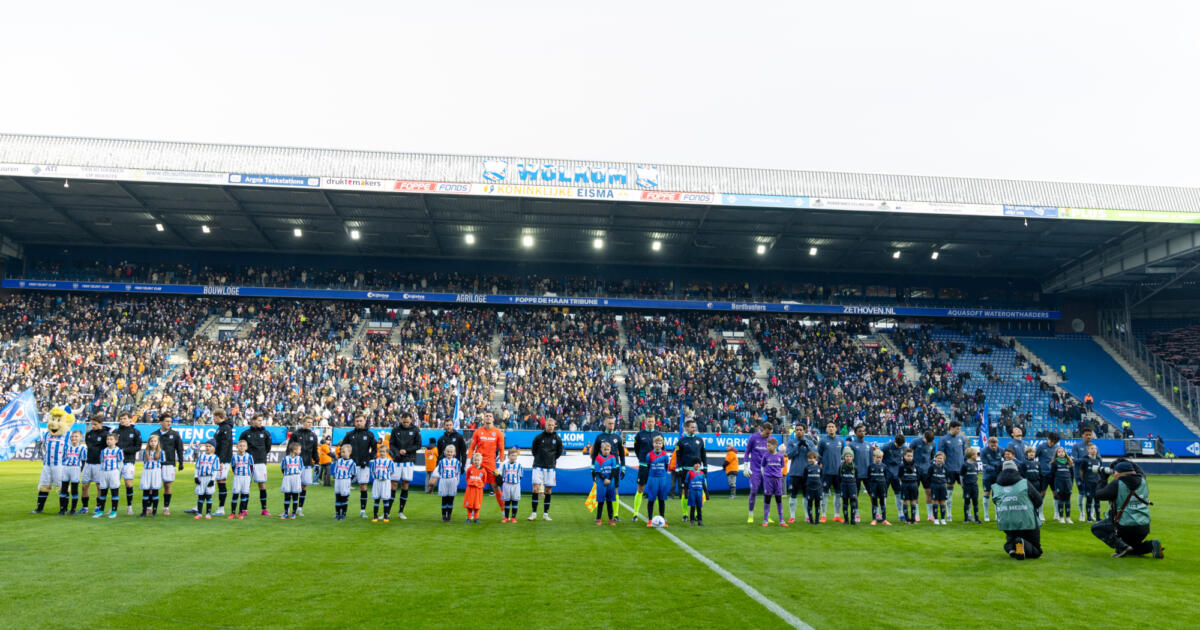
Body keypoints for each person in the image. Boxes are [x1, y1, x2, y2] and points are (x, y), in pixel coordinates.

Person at [1091, 460, 1163, 559]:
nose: (1114, 475)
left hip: (1124, 526)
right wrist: (1125, 461)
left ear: (1120, 473)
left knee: (1096, 528)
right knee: (1132, 549)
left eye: (1115, 472)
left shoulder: (1117, 484)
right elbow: (1138, 469)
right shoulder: (1142, 479)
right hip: (1143, 526)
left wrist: (1102, 478)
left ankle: (1122, 547)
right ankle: (1151, 545)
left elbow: (1098, 495)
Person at [992, 460, 1045, 559]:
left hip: (1007, 522)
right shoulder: (1024, 483)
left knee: (1010, 539)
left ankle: (1012, 548)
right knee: (1036, 551)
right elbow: (1038, 500)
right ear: (1016, 469)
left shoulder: (996, 487)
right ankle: (1021, 543)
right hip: (1027, 521)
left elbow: (996, 502)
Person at [588, 416, 626, 519]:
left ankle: (616, 514)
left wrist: (623, 467)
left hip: (614, 468)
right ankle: (599, 516)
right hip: (602, 469)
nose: (611, 425)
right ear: (605, 423)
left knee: (615, 490)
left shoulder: (618, 437)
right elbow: (594, 453)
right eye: (609, 423)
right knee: (601, 491)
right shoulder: (600, 437)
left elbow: (622, 454)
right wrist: (592, 468)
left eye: (613, 423)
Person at [340, 415, 377, 518]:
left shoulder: (369, 434)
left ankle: (362, 511)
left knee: (363, 487)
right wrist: (345, 460)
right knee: (345, 487)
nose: (359, 423)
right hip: (350, 465)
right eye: (357, 421)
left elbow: (374, 450)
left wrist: (367, 459)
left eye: (361, 421)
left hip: (363, 466)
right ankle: (343, 511)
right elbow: (342, 448)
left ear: (365, 421)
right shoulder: (350, 434)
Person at [469, 411, 506, 514]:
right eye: (486, 416)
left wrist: (501, 466)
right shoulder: (478, 431)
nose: (488, 418)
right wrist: (468, 461)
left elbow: (502, 449)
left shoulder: (498, 432)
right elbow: (471, 447)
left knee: (496, 487)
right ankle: (472, 511)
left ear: (493, 419)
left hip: (491, 464)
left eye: (490, 416)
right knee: (475, 487)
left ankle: (504, 510)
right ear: (484, 418)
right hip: (478, 463)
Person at [387, 411, 422, 520]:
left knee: (405, 484)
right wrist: (397, 452)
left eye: (407, 422)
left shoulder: (415, 430)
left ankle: (401, 511)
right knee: (393, 484)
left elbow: (418, 445)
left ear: (411, 420)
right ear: (401, 419)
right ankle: (387, 512)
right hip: (397, 460)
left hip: (408, 460)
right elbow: (391, 444)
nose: (406, 424)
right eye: (404, 422)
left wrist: (406, 450)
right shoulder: (395, 430)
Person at [529, 417, 564, 521]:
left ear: (554, 426)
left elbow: (559, 452)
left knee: (548, 490)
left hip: (550, 467)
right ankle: (534, 513)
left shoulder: (557, 438)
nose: (551, 427)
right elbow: (534, 451)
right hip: (538, 466)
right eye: (549, 425)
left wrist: (551, 460)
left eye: (552, 425)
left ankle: (545, 514)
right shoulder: (539, 437)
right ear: (545, 426)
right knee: (535, 488)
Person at [238, 416, 274, 517]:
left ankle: (264, 509)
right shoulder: (245, 433)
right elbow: (241, 446)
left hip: (260, 462)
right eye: (258, 420)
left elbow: (268, 447)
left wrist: (261, 455)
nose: (260, 422)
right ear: (253, 421)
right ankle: (244, 509)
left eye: (261, 420)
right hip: (247, 463)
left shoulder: (265, 433)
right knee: (246, 486)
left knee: (262, 485)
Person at [149, 417, 184, 516]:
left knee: (167, 485)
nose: (169, 423)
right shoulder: (154, 434)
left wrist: (181, 462)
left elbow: (179, 449)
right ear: (160, 422)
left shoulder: (175, 434)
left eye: (170, 421)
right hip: (155, 463)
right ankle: (149, 507)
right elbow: (148, 449)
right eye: (166, 421)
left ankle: (166, 507)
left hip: (169, 463)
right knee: (152, 486)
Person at [287, 416, 320, 517]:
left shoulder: (313, 436)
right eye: (307, 422)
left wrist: (317, 462)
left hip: (307, 464)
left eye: (311, 422)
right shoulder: (296, 434)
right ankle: (288, 509)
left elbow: (314, 450)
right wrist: (288, 461)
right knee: (293, 486)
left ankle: (299, 509)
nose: (309, 424)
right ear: (302, 422)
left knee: (303, 486)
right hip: (295, 465)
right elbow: (289, 448)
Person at [631, 415, 663, 520]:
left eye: (652, 421)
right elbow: (636, 449)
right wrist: (642, 459)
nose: (650, 423)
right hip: (644, 466)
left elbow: (663, 450)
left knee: (657, 490)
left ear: (655, 422)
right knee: (640, 489)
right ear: (645, 422)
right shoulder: (640, 435)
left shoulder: (659, 434)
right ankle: (635, 514)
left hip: (655, 467)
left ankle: (661, 516)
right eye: (648, 421)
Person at [675, 420, 707, 522]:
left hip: (697, 472)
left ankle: (697, 514)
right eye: (692, 427)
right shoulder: (681, 442)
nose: (694, 429)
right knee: (685, 492)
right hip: (686, 471)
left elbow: (703, 455)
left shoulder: (700, 440)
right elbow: (678, 456)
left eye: (695, 427)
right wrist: (679, 468)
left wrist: (705, 467)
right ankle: (685, 514)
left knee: (698, 491)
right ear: (686, 428)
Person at [743, 422, 773, 524]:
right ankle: (751, 514)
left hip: (768, 470)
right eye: (767, 433)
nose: (768, 435)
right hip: (755, 469)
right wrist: (746, 465)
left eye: (770, 433)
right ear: (761, 429)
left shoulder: (771, 439)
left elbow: (773, 454)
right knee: (754, 491)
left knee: (768, 493)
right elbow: (747, 451)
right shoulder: (753, 438)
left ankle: (767, 516)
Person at [80, 416, 110, 515]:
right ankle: (85, 507)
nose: (93, 426)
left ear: (101, 423)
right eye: (92, 424)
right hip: (88, 463)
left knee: (99, 486)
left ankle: (98, 507)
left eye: (95, 424)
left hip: (99, 464)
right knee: (84, 486)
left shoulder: (106, 435)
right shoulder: (88, 434)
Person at [113, 412, 141, 515]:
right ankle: (113, 508)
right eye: (121, 419)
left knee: (128, 484)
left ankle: (129, 507)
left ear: (130, 420)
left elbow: (138, 447)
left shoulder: (135, 432)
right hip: (116, 462)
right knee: (114, 484)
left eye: (124, 418)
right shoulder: (116, 431)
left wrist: (124, 450)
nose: (122, 420)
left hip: (129, 461)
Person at [939, 421, 967, 521]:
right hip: (949, 469)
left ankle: (967, 515)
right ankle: (949, 514)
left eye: (959, 429)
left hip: (960, 469)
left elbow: (965, 453)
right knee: (949, 492)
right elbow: (940, 454)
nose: (959, 431)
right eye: (957, 429)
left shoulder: (961, 439)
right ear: (951, 428)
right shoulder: (944, 439)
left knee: (966, 490)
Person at [786, 423, 813, 523]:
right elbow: (789, 455)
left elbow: (814, 456)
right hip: (795, 472)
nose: (798, 431)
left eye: (801, 429)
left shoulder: (809, 443)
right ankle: (792, 516)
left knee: (806, 495)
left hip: (807, 473)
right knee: (793, 494)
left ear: (804, 431)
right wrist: (797, 446)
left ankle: (807, 515)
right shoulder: (791, 442)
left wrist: (807, 447)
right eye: (797, 430)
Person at [817, 421, 844, 523]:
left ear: (836, 428)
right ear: (826, 429)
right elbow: (818, 456)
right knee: (823, 494)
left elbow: (842, 456)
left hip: (838, 473)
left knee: (838, 494)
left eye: (833, 426)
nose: (831, 428)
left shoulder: (841, 441)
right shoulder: (823, 441)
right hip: (826, 472)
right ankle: (823, 515)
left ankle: (837, 515)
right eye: (829, 427)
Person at [846, 424, 872, 523]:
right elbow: (848, 460)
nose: (862, 433)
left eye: (863, 431)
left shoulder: (868, 445)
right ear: (856, 433)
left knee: (872, 494)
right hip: (855, 475)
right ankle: (856, 514)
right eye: (860, 431)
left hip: (867, 474)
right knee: (854, 495)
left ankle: (876, 513)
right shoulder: (851, 445)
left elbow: (871, 461)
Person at [908, 430, 936, 522]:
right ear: (924, 436)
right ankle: (916, 515)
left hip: (926, 471)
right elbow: (908, 454)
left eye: (929, 441)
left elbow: (932, 457)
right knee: (915, 492)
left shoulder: (933, 444)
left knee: (929, 492)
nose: (927, 443)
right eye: (926, 440)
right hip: (915, 471)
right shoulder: (915, 442)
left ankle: (930, 515)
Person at [643, 435, 671, 525]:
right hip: (652, 479)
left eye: (660, 443)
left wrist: (662, 474)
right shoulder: (649, 455)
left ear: (662, 444)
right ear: (653, 444)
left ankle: (662, 518)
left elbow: (666, 467)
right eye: (656, 443)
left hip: (662, 479)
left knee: (662, 499)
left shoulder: (665, 456)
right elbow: (648, 467)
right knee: (651, 499)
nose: (658, 445)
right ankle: (650, 519)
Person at [94, 433, 123, 518]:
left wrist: (118, 473)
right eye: (108, 439)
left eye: (111, 439)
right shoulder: (103, 451)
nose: (109, 441)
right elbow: (102, 461)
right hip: (104, 472)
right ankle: (100, 511)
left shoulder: (118, 451)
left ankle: (114, 511)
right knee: (103, 492)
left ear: (116, 441)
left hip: (114, 472)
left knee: (114, 492)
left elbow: (120, 462)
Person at [1035, 432, 1060, 521]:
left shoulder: (1057, 447)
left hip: (1054, 474)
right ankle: (1040, 513)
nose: (1052, 443)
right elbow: (1034, 456)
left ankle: (1056, 514)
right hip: (1043, 474)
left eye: (1054, 442)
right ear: (1048, 438)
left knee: (1056, 493)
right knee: (1042, 493)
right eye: (1051, 441)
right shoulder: (1041, 446)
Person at [880, 433, 906, 522]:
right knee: (884, 494)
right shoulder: (886, 447)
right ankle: (882, 514)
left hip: (897, 474)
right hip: (886, 473)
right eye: (898, 445)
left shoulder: (904, 448)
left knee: (898, 494)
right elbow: (879, 456)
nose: (899, 447)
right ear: (895, 441)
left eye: (901, 445)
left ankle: (901, 514)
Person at [1071, 427, 1096, 519]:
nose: (1088, 436)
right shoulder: (1076, 446)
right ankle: (1082, 514)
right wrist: (1087, 459)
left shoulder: (1094, 446)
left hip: (1092, 476)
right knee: (1081, 493)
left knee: (1092, 494)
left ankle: (1091, 514)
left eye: (1090, 435)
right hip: (1079, 474)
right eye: (1087, 435)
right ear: (1082, 435)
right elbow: (1074, 460)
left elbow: (1099, 459)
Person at [761, 437, 786, 527]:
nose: (767, 447)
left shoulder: (780, 456)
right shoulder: (765, 455)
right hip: (768, 479)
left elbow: (782, 467)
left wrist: (778, 475)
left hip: (778, 479)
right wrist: (766, 476)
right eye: (767, 446)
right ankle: (765, 520)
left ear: (775, 446)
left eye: (769, 445)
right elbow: (762, 467)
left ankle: (781, 520)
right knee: (767, 499)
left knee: (778, 499)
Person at [434, 444, 463, 522]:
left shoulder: (456, 462)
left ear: (454, 453)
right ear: (445, 452)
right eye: (448, 452)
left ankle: (449, 516)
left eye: (451, 452)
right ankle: (443, 516)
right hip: (444, 480)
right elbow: (439, 471)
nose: (449, 453)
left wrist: (457, 481)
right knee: (444, 498)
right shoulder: (441, 461)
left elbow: (457, 472)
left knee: (451, 499)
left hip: (452, 480)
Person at [593, 442, 619, 526]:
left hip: (610, 482)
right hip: (601, 482)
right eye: (605, 449)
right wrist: (604, 479)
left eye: (608, 449)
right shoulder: (598, 458)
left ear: (610, 450)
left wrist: (609, 479)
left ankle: (611, 519)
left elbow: (614, 469)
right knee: (600, 501)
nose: (606, 451)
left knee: (609, 501)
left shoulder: (612, 458)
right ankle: (598, 518)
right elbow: (597, 471)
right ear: (601, 449)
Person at [213, 409, 233, 515]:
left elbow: (225, 445)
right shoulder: (221, 428)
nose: (213, 419)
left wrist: (220, 460)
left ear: (218, 417)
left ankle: (221, 508)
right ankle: (201, 504)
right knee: (215, 482)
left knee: (221, 482)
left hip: (223, 461)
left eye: (214, 417)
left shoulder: (226, 428)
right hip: (219, 459)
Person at [139, 434, 165, 517]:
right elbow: (144, 461)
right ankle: (144, 511)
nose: (153, 443)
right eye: (151, 441)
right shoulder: (145, 452)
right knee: (145, 491)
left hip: (155, 472)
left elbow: (162, 462)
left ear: (158, 443)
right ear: (149, 442)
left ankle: (154, 511)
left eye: (155, 441)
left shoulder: (161, 452)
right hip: (146, 472)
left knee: (155, 491)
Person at [61, 431, 86, 515]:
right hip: (66, 468)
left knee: (74, 490)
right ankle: (63, 509)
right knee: (64, 489)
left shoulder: (82, 448)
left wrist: (80, 470)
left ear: (80, 438)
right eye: (72, 436)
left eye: (76, 436)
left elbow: (83, 461)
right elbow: (63, 458)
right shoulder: (66, 447)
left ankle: (73, 509)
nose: (74, 438)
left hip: (76, 468)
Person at [193, 440, 219, 520]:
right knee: (200, 496)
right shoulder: (201, 456)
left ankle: (208, 513)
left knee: (208, 496)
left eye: (210, 446)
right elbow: (197, 467)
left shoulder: (215, 458)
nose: (208, 448)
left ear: (213, 448)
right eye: (206, 446)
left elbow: (215, 470)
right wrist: (196, 477)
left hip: (209, 478)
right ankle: (199, 513)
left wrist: (212, 480)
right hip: (201, 478)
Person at [331, 444, 357, 521]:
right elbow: (335, 471)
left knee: (344, 498)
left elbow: (354, 473)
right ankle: (337, 514)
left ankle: (343, 514)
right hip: (338, 481)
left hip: (345, 481)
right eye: (341, 452)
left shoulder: (352, 462)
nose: (342, 453)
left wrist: (349, 481)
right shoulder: (339, 461)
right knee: (338, 497)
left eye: (344, 452)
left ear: (349, 452)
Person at [1049, 446, 1075, 524]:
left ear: (1065, 453)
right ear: (1056, 454)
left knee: (1067, 501)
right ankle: (1061, 517)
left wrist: (1071, 484)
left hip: (1068, 484)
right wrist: (1054, 486)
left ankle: (1068, 517)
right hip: (1059, 484)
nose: (1061, 453)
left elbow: (1072, 475)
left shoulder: (1069, 462)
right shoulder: (1054, 463)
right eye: (1059, 452)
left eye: (1062, 452)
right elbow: (1052, 475)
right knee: (1060, 500)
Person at [229, 440, 254, 520]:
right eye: (240, 446)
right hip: (237, 477)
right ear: (237, 447)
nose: (242, 447)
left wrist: (250, 479)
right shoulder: (234, 457)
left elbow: (251, 468)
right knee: (235, 495)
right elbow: (233, 467)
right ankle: (232, 513)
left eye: (243, 446)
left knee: (244, 495)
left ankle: (240, 513)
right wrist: (237, 473)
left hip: (246, 478)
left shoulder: (249, 456)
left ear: (246, 447)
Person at [370, 448, 396, 523]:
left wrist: (386, 477)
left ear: (387, 453)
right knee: (376, 499)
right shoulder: (376, 461)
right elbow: (372, 470)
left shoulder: (390, 462)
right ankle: (375, 516)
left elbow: (392, 471)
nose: (382, 453)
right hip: (377, 481)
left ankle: (386, 516)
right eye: (380, 452)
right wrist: (376, 477)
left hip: (386, 482)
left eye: (383, 452)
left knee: (386, 499)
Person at [279, 442, 304, 520]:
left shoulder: (299, 459)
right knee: (287, 496)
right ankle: (286, 513)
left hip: (296, 477)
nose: (300, 451)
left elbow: (301, 468)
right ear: (294, 450)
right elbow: (282, 468)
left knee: (295, 496)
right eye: (299, 449)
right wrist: (287, 475)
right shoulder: (285, 458)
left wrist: (297, 476)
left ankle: (293, 513)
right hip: (287, 477)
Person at [1079, 443, 1103, 522]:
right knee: (1089, 499)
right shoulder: (1085, 460)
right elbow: (1081, 471)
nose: (1094, 450)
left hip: (1097, 483)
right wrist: (1084, 480)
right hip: (1089, 482)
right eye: (1092, 448)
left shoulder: (1099, 459)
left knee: (1097, 500)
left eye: (1095, 449)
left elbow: (1100, 471)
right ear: (1088, 450)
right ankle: (1088, 518)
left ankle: (1098, 517)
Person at [980, 436, 1002, 522]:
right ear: (988, 444)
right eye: (992, 445)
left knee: (997, 494)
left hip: (997, 476)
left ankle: (997, 514)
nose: (994, 447)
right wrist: (995, 467)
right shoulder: (984, 451)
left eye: (995, 445)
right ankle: (986, 514)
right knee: (987, 493)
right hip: (987, 475)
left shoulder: (1001, 450)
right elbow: (985, 464)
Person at [498, 447, 523, 523]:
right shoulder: (504, 465)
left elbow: (520, 475)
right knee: (507, 501)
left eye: (515, 455)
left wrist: (516, 481)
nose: (514, 457)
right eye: (512, 455)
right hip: (506, 484)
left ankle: (513, 517)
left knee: (515, 501)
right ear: (508, 456)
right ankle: (506, 517)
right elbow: (501, 474)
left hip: (516, 485)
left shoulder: (519, 465)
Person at [867, 449, 890, 526]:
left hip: (882, 487)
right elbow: (868, 477)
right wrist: (871, 485)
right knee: (874, 503)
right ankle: (874, 519)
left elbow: (886, 477)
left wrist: (885, 486)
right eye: (877, 457)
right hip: (874, 487)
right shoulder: (870, 466)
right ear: (873, 457)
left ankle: (884, 519)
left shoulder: (884, 466)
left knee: (882, 503)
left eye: (880, 457)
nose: (879, 459)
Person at [926, 451, 949, 525]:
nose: (939, 459)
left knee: (942, 502)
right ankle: (936, 519)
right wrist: (930, 486)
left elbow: (947, 476)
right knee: (935, 501)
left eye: (941, 458)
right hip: (934, 486)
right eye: (938, 458)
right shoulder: (931, 467)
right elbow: (928, 477)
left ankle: (942, 519)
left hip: (942, 486)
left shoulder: (945, 467)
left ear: (943, 460)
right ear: (935, 458)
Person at [898, 449, 921, 525]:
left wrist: (916, 484)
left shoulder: (916, 465)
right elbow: (899, 476)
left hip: (914, 484)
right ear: (904, 456)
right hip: (905, 484)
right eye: (908, 456)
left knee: (913, 500)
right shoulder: (901, 466)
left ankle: (913, 519)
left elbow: (918, 476)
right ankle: (907, 518)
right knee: (905, 500)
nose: (909, 457)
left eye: (911, 456)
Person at [463, 452, 486, 524]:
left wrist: (479, 485)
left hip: (478, 490)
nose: (476, 461)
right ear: (473, 461)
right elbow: (467, 478)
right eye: (475, 460)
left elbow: (484, 480)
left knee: (477, 504)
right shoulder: (470, 469)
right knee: (469, 504)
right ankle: (469, 517)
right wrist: (472, 483)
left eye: (478, 460)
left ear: (481, 461)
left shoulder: (483, 471)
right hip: (470, 489)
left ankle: (476, 518)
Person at [801, 451, 823, 525]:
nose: (810, 460)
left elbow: (822, 478)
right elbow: (804, 478)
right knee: (809, 504)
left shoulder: (819, 468)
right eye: (809, 458)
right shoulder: (807, 468)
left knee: (817, 504)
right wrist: (806, 486)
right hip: (809, 489)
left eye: (812, 458)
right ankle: (811, 520)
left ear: (815, 458)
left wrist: (821, 486)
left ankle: (817, 520)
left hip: (818, 489)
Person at [838, 449, 858, 525]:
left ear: (852, 457)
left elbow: (857, 477)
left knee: (853, 503)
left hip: (852, 486)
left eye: (850, 456)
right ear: (844, 457)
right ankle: (846, 520)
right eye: (847, 456)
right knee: (845, 503)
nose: (848, 458)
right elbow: (839, 478)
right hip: (844, 486)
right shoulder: (841, 467)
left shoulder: (855, 467)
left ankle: (853, 520)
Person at [961, 447, 981, 523]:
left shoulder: (976, 464)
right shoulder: (965, 465)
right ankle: (966, 519)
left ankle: (977, 519)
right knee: (967, 501)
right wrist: (963, 485)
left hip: (974, 486)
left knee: (975, 501)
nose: (977, 456)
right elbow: (961, 476)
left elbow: (977, 473)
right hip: (967, 486)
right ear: (972, 455)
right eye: (976, 454)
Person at [686, 460, 708, 526]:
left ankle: (700, 521)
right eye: (696, 464)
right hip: (692, 492)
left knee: (699, 507)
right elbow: (686, 483)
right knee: (692, 507)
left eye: (698, 464)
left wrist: (706, 493)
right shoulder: (689, 473)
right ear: (693, 465)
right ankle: (692, 521)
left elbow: (703, 484)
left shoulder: (702, 473)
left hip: (699, 492)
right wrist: (686, 492)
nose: (697, 465)